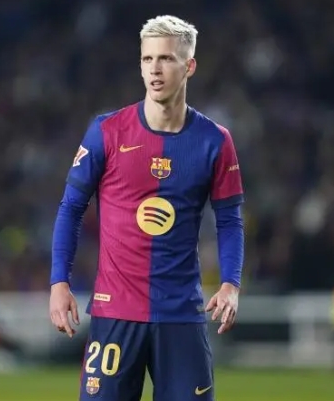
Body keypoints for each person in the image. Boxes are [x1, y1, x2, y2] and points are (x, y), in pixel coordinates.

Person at [49, 15, 245, 401]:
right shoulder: (107, 131)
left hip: (181, 314)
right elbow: (71, 207)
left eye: (166, 58)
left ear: (189, 66)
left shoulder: (215, 141)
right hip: (115, 313)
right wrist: (59, 283)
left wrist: (230, 284)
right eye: (147, 59)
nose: (155, 69)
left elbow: (229, 220)